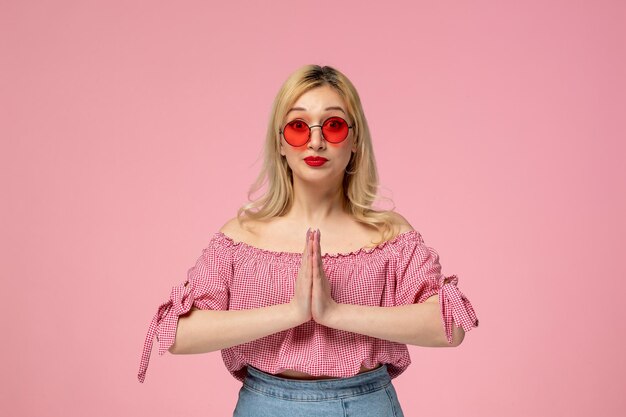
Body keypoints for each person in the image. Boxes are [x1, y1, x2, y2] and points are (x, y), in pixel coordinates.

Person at [137, 64, 479, 416]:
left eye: (333, 126)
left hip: (365, 405)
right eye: (299, 127)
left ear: (355, 141)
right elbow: (174, 333)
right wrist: (292, 313)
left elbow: (451, 326)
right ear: (281, 143)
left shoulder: (390, 237)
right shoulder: (241, 238)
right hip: (264, 405)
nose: (316, 141)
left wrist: (335, 313)